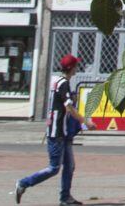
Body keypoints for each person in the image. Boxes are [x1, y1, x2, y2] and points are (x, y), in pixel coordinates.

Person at [14, 52, 83, 206]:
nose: (77, 68)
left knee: (69, 166)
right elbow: (69, 107)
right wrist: (84, 121)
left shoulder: (57, 81)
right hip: (57, 132)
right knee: (54, 168)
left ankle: (65, 198)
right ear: (71, 68)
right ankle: (23, 183)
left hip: (62, 131)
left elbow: (62, 103)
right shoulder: (63, 83)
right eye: (76, 65)